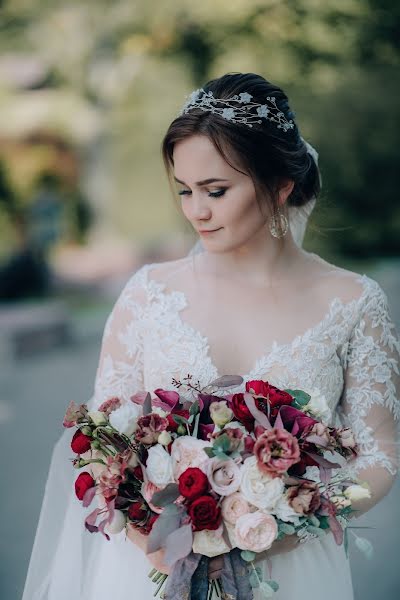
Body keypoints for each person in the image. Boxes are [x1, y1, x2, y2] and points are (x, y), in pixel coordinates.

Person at [22, 72, 399, 600]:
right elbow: (103, 439)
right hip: (147, 571)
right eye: (185, 190)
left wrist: (293, 512)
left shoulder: (354, 303)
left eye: (216, 191)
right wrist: (143, 524)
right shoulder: (148, 294)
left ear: (280, 185)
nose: (196, 210)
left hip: (290, 574)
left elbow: (380, 452)